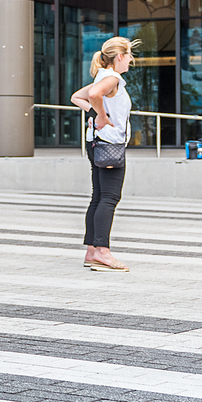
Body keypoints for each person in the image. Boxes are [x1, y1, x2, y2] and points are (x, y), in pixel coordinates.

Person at [73, 36, 134, 273]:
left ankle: (91, 251)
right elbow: (96, 94)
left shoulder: (101, 76)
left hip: (96, 143)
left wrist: (95, 113)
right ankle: (103, 253)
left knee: (98, 196)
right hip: (110, 144)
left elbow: (77, 97)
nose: (130, 61)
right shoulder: (111, 78)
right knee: (109, 198)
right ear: (119, 56)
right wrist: (100, 115)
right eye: (129, 56)